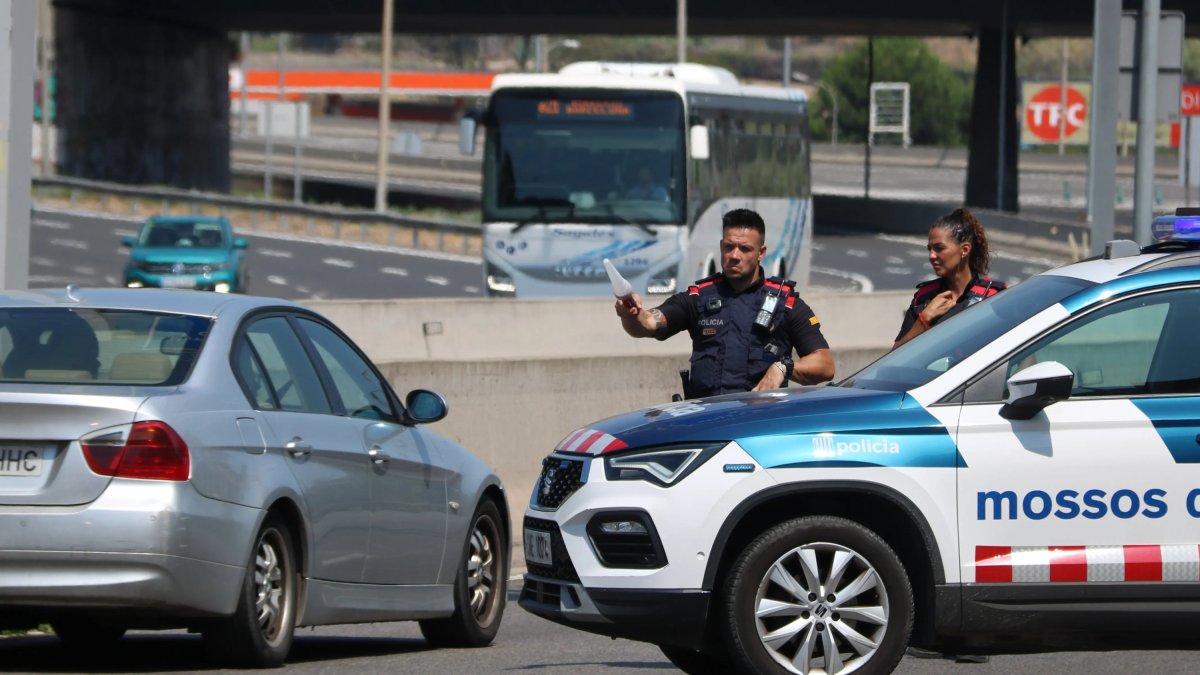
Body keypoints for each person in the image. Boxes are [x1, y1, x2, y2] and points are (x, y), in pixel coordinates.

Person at [614, 208, 835, 398]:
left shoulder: (785, 304)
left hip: (758, 424)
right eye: (729, 247)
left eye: (745, 249)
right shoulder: (698, 297)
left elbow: (825, 366)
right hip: (706, 422)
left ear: (761, 253)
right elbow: (647, 324)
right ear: (721, 246)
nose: (734, 255)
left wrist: (783, 367)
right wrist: (631, 313)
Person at [892, 207, 1006, 349]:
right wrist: (924, 320)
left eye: (939, 248)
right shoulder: (923, 298)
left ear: (964, 249)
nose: (931, 256)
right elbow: (894, 355)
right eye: (930, 249)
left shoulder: (994, 297)